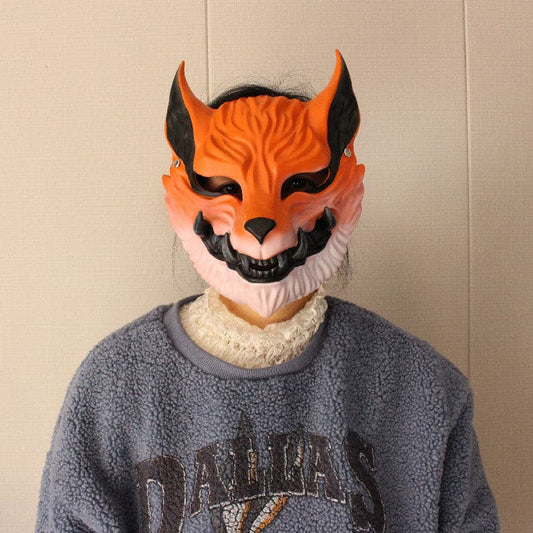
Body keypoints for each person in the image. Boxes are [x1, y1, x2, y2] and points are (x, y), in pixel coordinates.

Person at [36, 51, 499, 532]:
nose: (261, 222)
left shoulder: (421, 387)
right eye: (224, 186)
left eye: (300, 182)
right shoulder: (114, 385)